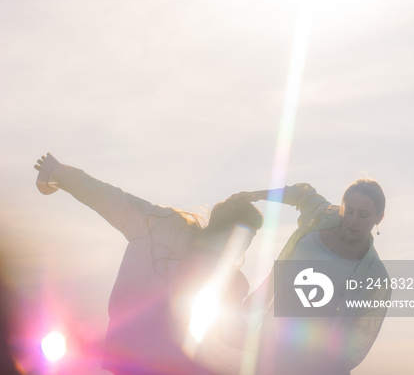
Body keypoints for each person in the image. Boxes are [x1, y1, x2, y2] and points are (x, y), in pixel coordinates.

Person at [34, 153, 263, 375]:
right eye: (244, 234)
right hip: (134, 358)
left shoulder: (234, 281)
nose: (246, 244)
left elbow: (235, 331)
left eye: (251, 237)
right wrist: (59, 173)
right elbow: (114, 201)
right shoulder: (163, 227)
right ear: (227, 225)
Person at [231, 179, 390, 375]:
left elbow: (358, 340)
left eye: (363, 215)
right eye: (349, 211)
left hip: (312, 359)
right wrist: (255, 195)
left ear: (379, 217)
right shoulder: (322, 216)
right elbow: (299, 193)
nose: (353, 220)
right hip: (270, 338)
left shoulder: (374, 274)